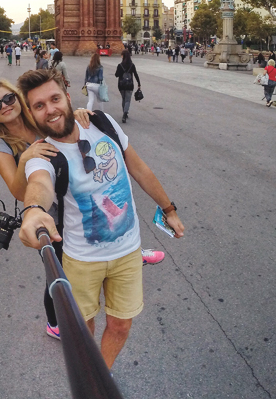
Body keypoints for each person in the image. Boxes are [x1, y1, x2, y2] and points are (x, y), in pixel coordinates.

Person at [16, 68, 185, 370]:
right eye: (39, 105)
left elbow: (140, 169)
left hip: (128, 253)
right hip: (81, 261)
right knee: (84, 332)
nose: (50, 109)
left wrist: (168, 209)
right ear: (31, 114)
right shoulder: (41, 155)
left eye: (55, 99)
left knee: (120, 327)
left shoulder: (102, 123)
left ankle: (100, 378)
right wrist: (33, 211)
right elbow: (39, 185)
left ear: (68, 98)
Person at [114, 49, 140, 124]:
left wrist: (121, 72)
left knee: (123, 99)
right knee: (128, 100)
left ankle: (124, 112)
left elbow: (116, 75)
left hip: (121, 84)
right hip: (129, 84)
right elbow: (135, 74)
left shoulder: (120, 65)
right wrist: (139, 83)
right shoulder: (132, 65)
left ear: (123, 56)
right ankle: (125, 114)